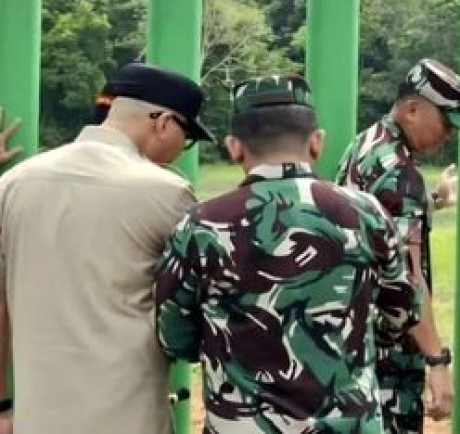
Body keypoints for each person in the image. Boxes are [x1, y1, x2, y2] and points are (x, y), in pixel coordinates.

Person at [154, 74, 429, 431]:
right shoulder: (367, 214)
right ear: (317, 142)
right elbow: (403, 312)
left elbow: (174, 336)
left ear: (234, 147)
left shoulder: (201, 226)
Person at [0, 62, 213, 434]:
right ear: (162, 122)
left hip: (38, 417)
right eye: (188, 136)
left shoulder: (16, 182)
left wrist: (3, 404)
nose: (184, 148)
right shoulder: (165, 192)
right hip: (129, 417)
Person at [334, 57, 460, 431]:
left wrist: (434, 200)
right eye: (445, 122)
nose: (448, 134)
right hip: (388, 353)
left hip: (349, 338)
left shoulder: (366, 145)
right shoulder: (401, 175)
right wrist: (437, 362)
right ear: (412, 109)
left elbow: (375, 220)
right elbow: (409, 282)